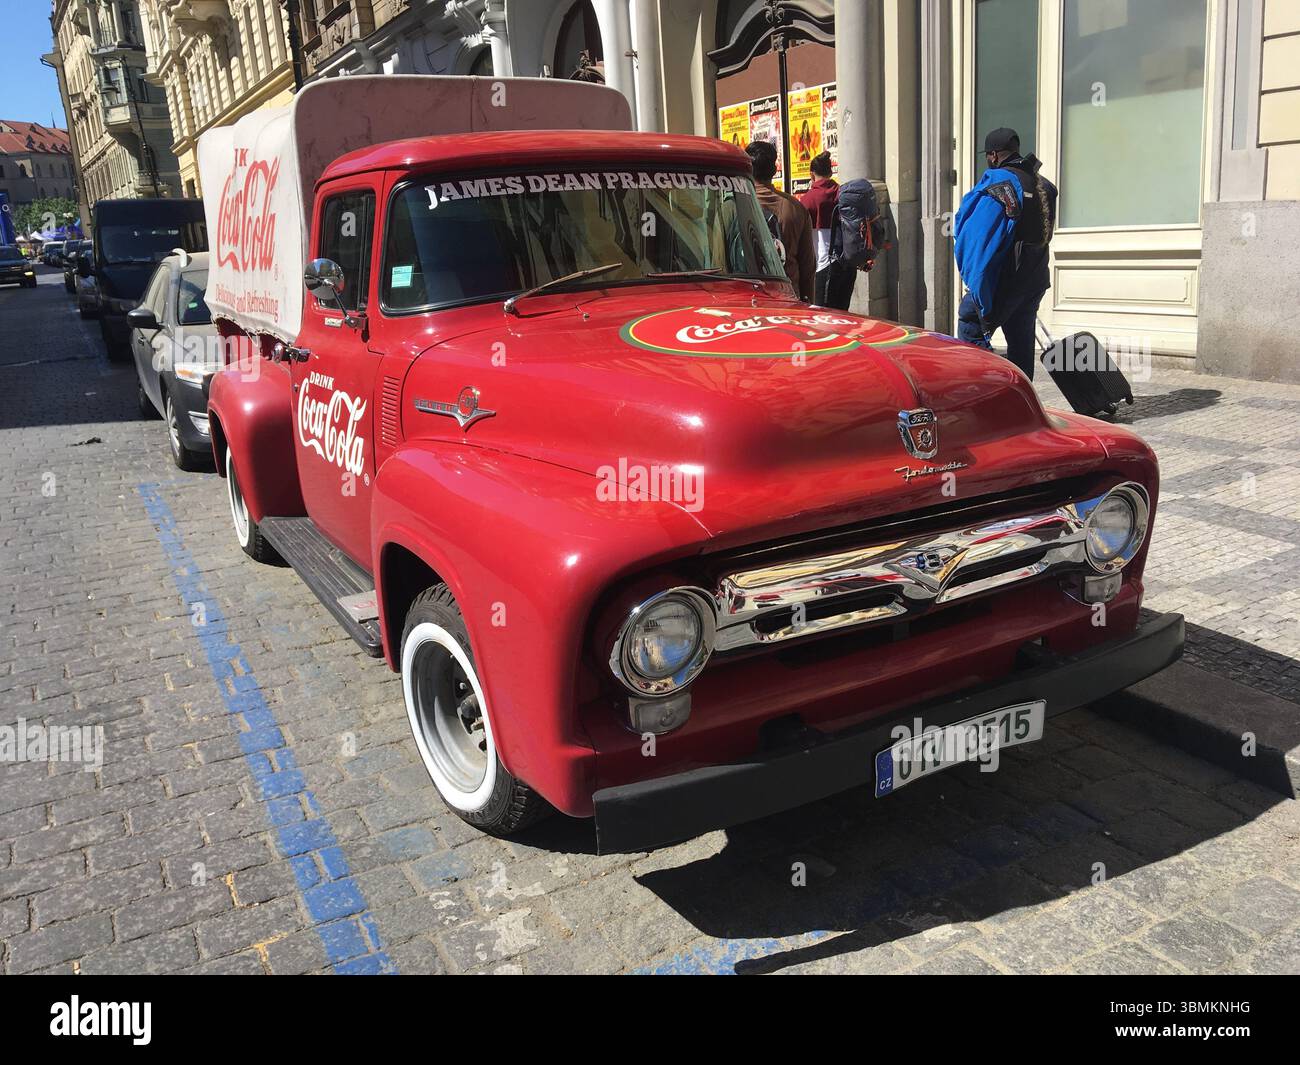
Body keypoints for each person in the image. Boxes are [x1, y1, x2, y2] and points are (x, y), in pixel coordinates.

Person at [953, 127, 1058, 378]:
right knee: (1020, 342)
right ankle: (1022, 399)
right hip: (1035, 279)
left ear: (992, 155)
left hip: (1007, 278)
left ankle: (984, 389)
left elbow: (977, 240)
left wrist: (978, 288)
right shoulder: (1044, 184)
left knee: (970, 325)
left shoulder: (998, 182)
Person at [745, 139, 815, 302]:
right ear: (775, 170)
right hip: (789, 298)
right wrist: (807, 303)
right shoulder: (796, 208)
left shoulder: (733, 207)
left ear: (748, 168)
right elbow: (807, 266)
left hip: (748, 300)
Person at [799, 151, 854, 309]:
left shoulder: (808, 199)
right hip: (847, 264)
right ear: (831, 172)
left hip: (824, 267)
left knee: (823, 318)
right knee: (843, 315)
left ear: (811, 174)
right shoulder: (842, 193)